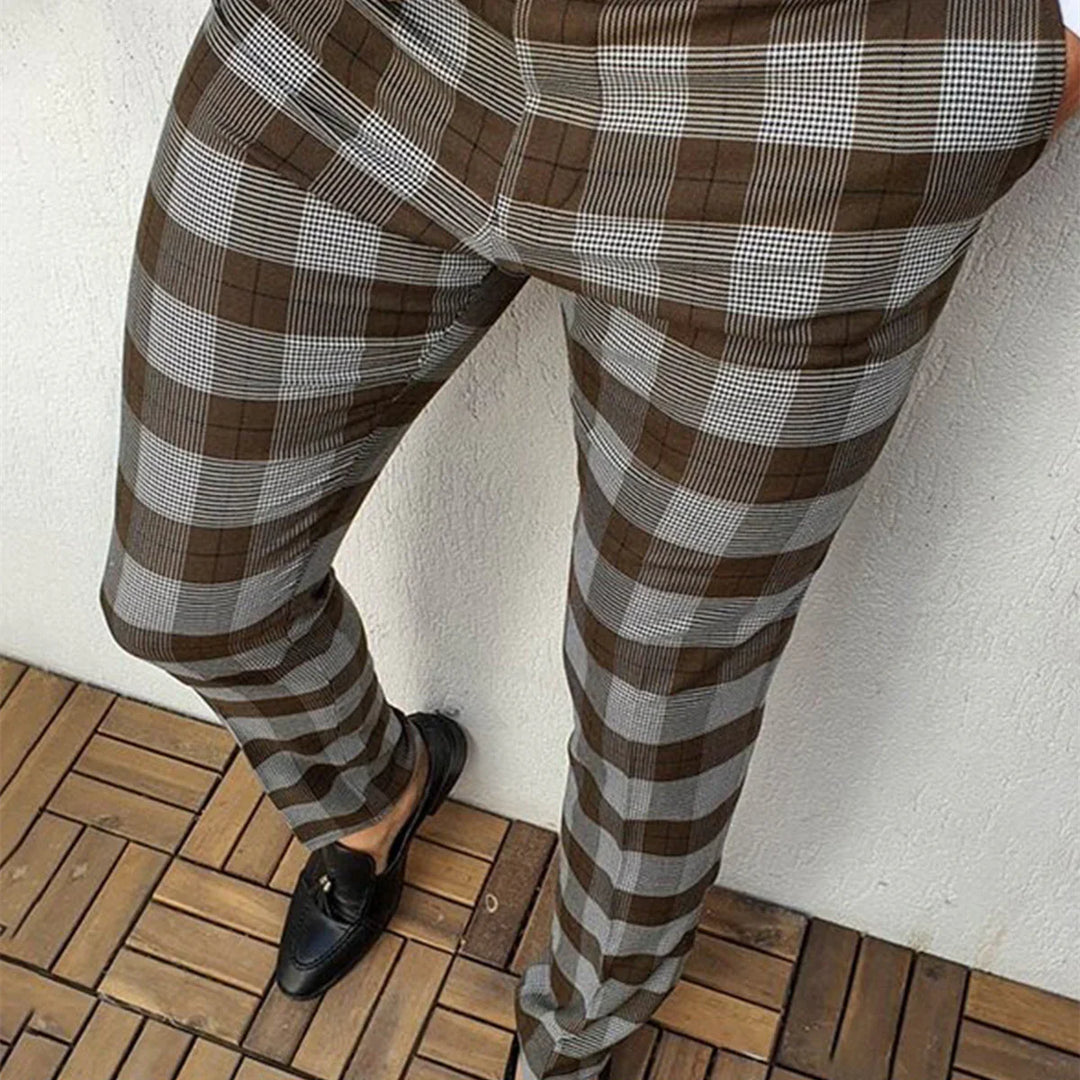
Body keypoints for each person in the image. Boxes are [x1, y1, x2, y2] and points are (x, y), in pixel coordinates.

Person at [97, 0, 1077, 1077]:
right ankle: (375, 793)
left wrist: (1022, 59)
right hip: (369, 37)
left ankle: (572, 1038)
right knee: (187, 594)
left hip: (809, 87)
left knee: (659, 696)